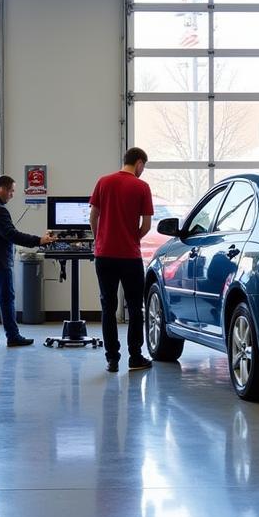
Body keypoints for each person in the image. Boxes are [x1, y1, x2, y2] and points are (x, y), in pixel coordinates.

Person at [89, 147, 154, 373]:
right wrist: (131, 238)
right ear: (138, 163)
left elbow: (93, 217)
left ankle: (112, 359)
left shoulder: (103, 182)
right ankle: (135, 357)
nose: (142, 171)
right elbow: (146, 226)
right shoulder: (142, 187)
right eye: (143, 167)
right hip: (129, 257)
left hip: (104, 256)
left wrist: (101, 240)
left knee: (108, 307)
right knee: (136, 307)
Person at [0, 175, 54, 348]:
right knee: (7, 298)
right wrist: (39, 240)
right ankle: (13, 336)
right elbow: (12, 234)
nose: (12, 195)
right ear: (1, 188)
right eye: (11, 191)